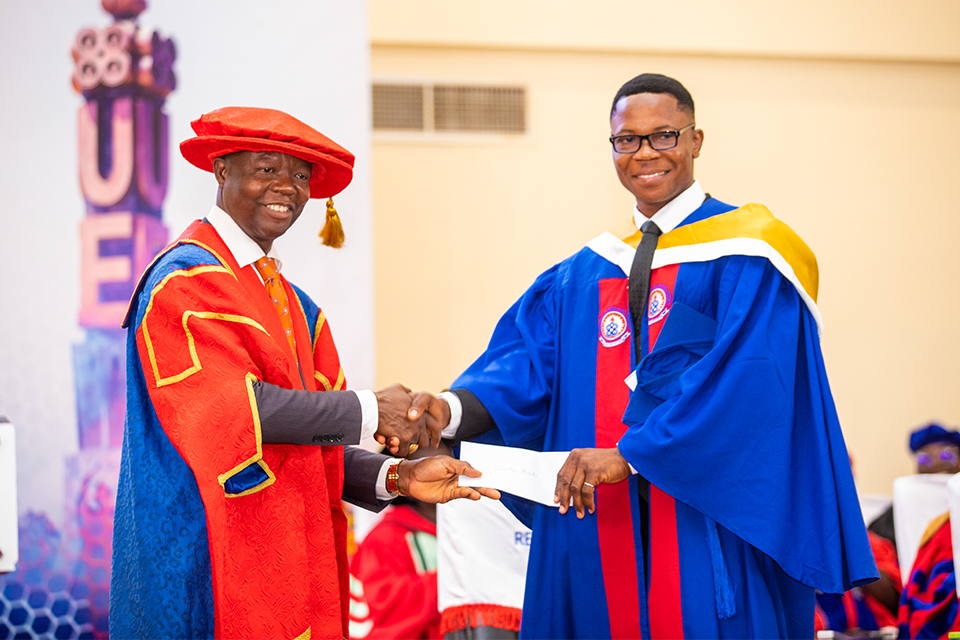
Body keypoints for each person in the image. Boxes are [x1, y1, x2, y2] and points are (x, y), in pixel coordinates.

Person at [414, 73, 878, 638]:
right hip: (597, 522)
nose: (645, 153)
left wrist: (630, 455)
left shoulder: (752, 255)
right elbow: (525, 368)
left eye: (663, 135)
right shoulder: (581, 274)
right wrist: (448, 410)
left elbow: (750, 383)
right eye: (627, 140)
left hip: (705, 520)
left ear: (695, 140)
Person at [109, 106, 498, 640]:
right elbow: (236, 413)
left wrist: (397, 477)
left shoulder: (299, 308)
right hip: (204, 554)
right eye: (267, 169)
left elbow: (312, 445)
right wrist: (370, 409)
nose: (287, 188)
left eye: (300, 176)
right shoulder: (184, 283)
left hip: (288, 560)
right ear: (221, 169)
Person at [349, 444, 452, 640]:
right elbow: (382, 602)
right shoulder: (387, 537)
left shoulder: (465, 530)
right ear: (408, 484)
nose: (448, 477)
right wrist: (450, 580)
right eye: (435, 470)